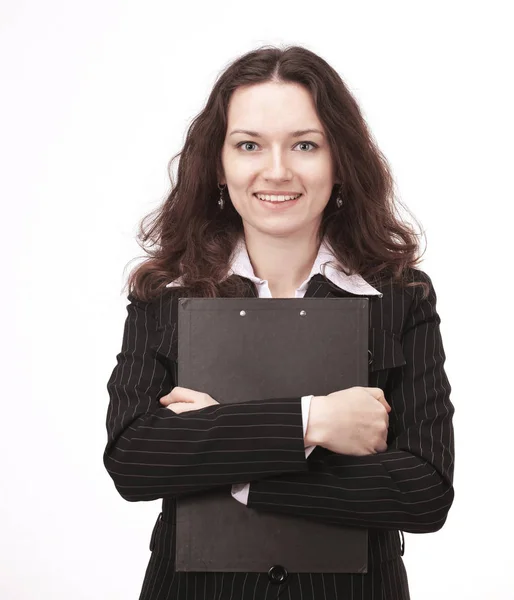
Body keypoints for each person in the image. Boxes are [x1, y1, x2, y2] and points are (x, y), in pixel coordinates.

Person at [103, 44, 455, 600]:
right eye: (248, 145)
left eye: (305, 145)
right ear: (219, 165)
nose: (277, 170)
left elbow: (423, 494)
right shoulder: (165, 293)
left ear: (340, 161)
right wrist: (310, 421)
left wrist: (234, 464)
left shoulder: (400, 295)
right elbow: (135, 460)